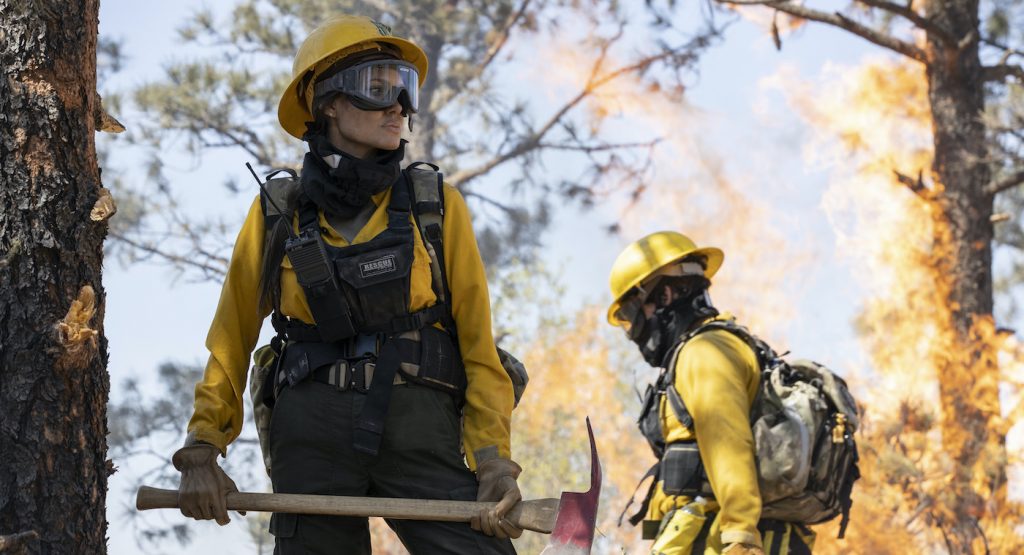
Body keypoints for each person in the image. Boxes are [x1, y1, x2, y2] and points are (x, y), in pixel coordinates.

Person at [171, 15, 522, 554]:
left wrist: (494, 461)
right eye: (376, 88)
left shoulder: (435, 206)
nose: (397, 107)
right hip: (311, 433)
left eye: (404, 91)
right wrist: (202, 448)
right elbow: (231, 337)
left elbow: (477, 345)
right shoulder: (277, 213)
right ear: (328, 102)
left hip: (421, 425)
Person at [606, 231, 814, 555]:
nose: (634, 332)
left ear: (664, 297)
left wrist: (741, 536)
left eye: (633, 315)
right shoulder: (715, 346)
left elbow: (727, 440)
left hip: (724, 542)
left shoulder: (703, 352)